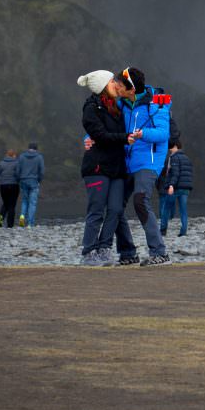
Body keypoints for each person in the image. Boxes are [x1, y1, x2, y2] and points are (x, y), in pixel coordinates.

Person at [78, 70, 138, 266]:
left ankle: (104, 249)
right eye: (112, 81)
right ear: (103, 85)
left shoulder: (117, 106)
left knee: (115, 210)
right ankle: (88, 252)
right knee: (96, 210)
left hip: (117, 168)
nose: (116, 84)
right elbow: (100, 135)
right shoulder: (91, 107)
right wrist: (124, 138)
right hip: (97, 167)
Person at [119, 67, 171, 266]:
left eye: (121, 85)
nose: (117, 87)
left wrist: (142, 134)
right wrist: (88, 137)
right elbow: (106, 125)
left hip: (149, 162)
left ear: (131, 89)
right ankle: (128, 253)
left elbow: (163, 133)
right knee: (115, 206)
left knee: (140, 201)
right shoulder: (123, 104)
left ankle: (160, 252)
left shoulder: (155, 103)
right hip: (127, 162)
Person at [162, 140, 193, 236]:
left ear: (175, 146)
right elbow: (189, 174)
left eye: (171, 148)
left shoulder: (174, 158)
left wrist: (171, 185)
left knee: (166, 208)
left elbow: (175, 173)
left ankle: (163, 230)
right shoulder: (187, 158)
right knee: (183, 210)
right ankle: (183, 232)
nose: (169, 150)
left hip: (175, 188)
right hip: (186, 188)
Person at [16, 143, 44, 227]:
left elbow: (18, 170)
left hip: (23, 181)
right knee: (32, 203)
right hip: (34, 181)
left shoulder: (21, 156)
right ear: (36, 149)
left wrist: (19, 179)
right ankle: (30, 223)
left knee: (24, 201)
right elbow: (42, 171)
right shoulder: (39, 157)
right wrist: (39, 180)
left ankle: (22, 217)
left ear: (28, 148)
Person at [0, 149, 20, 228]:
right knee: (11, 206)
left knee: (5, 204)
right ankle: (10, 225)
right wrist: (19, 180)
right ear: (13, 155)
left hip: (3, 186)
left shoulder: (1, 163)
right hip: (14, 185)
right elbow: (18, 174)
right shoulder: (16, 163)